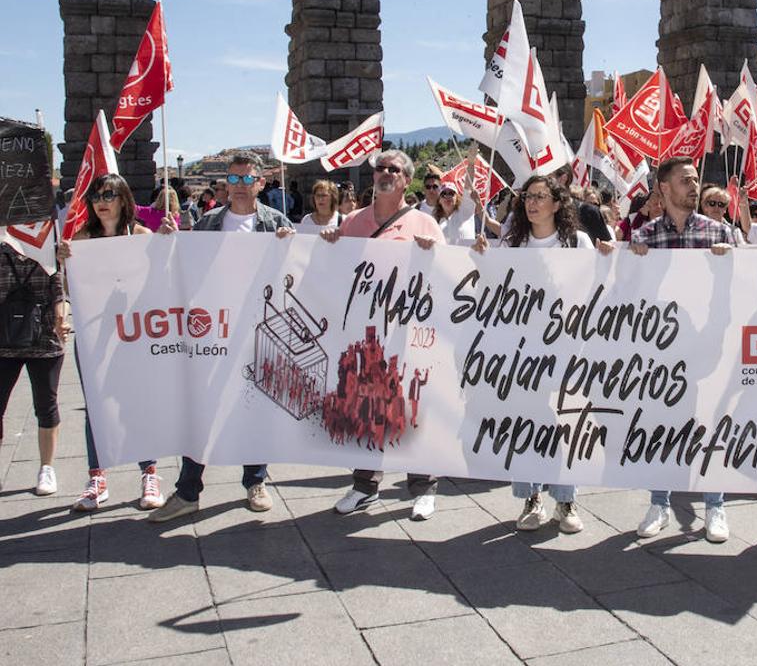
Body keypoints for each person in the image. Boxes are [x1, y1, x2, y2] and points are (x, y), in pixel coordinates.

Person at [148, 151, 293, 523]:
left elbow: (291, 274)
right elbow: (187, 265)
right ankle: (187, 491)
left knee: (254, 408)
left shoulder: (275, 222)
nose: (241, 186)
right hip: (213, 331)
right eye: (235, 179)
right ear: (225, 183)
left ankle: (255, 482)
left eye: (248, 179)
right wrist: (168, 241)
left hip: (256, 329)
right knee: (202, 409)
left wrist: (289, 245)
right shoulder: (209, 222)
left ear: (261, 183)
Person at [474, 174, 613, 533]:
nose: (531, 203)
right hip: (521, 348)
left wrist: (609, 261)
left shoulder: (576, 242)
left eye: (539, 196)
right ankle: (530, 498)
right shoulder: (511, 243)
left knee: (563, 423)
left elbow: (595, 286)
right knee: (526, 421)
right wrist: (480, 260)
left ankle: (565, 501)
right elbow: (495, 288)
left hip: (566, 346)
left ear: (557, 203)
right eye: (527, 197)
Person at [320, 149, 445, 519]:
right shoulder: (353, 222)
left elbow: (447, 278)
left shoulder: (425, 224)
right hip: (365, 333)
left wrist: (434, 255)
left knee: (411, 406)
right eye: (380, 169)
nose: (386, 173)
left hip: (408, 332)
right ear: (372, 177)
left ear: (407, 180)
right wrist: (328, 241)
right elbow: (332, 268)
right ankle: (364, 487)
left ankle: (424, 488)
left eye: (395, 169)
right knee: (366, 406)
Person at [630, 156, 735, 542]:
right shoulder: (644, 238)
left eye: (695, 180)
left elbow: (740, 289)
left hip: (709, 346)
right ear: (664, 188)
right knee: (662, 427)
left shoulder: (718, 234)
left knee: (708, 424)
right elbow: (632, 296)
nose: (694, 186)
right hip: (662, 350)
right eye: (685, 180)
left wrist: (729, 264)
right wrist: (623, 260)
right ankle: (659, 502)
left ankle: (715, 506)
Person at [57, 175, 164, 511]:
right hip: (94, 333)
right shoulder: (81, 239)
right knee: (95, 405)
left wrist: (167, 246)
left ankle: (149, 472)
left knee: (137, 402)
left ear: (123, 200)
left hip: (133, 332)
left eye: (109, 195)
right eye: (96, 196)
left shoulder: (141, 236)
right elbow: (73, 293)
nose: (101, 201)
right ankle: (97, 477)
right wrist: (64, 265)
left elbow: (158, 283)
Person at [0, 237, 69, 496]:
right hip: (4, 341)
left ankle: (46, 468)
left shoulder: (49, 249)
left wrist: (62, 316)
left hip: (45, 339)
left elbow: (60, 290)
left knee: (46, 405)